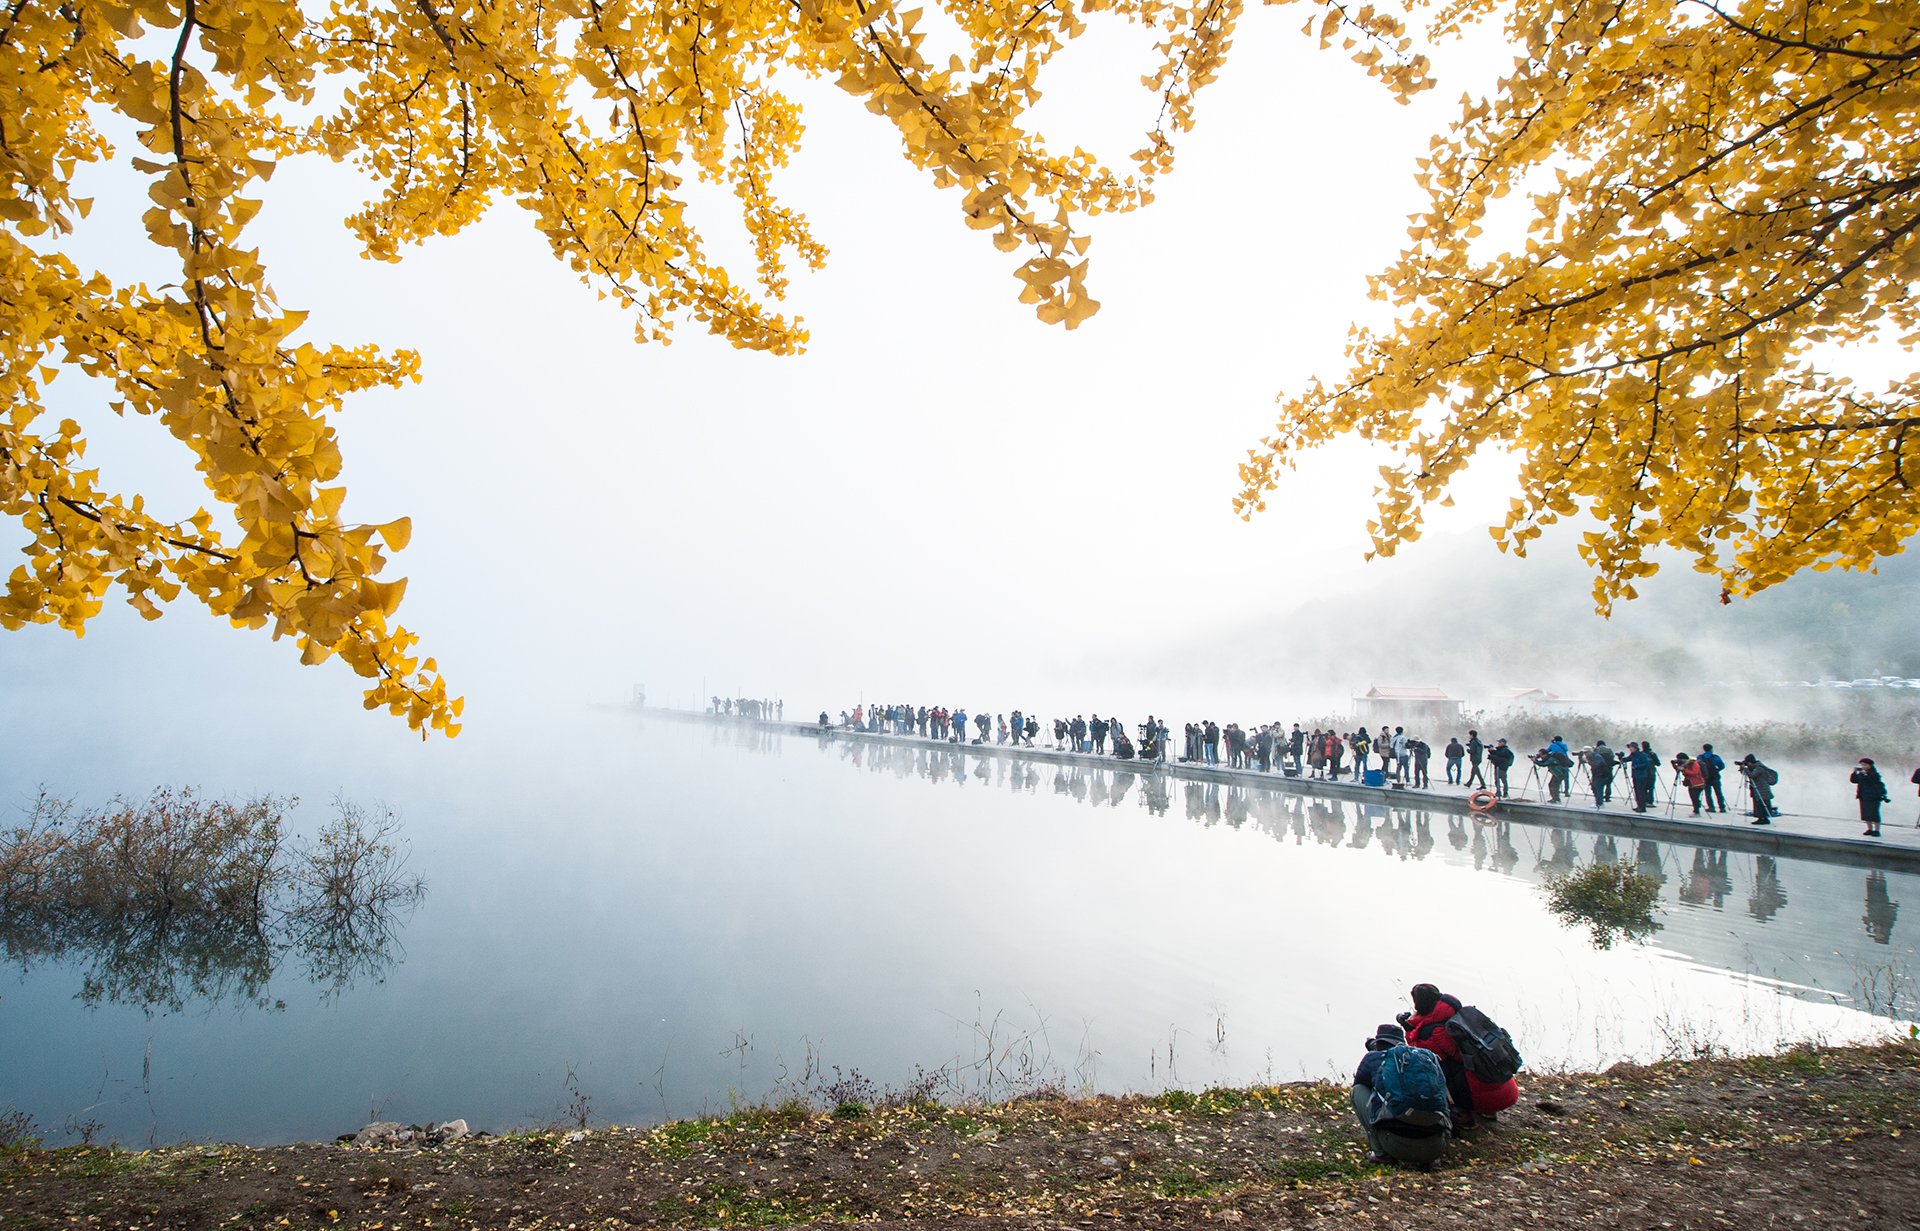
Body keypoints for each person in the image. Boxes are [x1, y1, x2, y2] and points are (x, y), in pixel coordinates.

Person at [1400, 983, 1520, 1128]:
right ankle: (1488, 1112)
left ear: (1418, 1004)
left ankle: (1462, 1115)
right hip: (1508, 1090)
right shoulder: (1463, 1016)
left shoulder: (1432, 1032)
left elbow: (1417, 1052)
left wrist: (1408, 1028)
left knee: (1431, 1068)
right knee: (1470, 1064)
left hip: (1485, 1098)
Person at [1350, 1023, 1450, 1168]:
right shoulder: (1426, 1062)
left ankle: (1381, 1154)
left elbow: (1360, 1083)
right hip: (1435, 1148)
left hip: (1395, 1146)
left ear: (1379, 1044)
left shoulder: (1374, 1057)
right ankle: (1431, 1160)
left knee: (1357, 1090)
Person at [1852, 758, 1889, 837]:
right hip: (1863, 796)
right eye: (1862, 765)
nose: (1863, 766)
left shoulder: (1874, 774)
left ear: (1870, 765)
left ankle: (1877, 830)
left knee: (1874, 814)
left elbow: (1872, 782)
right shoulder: (1861, 773)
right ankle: (1869, 829)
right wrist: (1854, 773)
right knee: (1866, 814)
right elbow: (1854, 781)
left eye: (1865, 765)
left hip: (1874, 797)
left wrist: (1865, 775)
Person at [1738, 754, 1777, 824]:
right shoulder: (1754, 767)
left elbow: (1752, 775)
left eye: (1748, 762)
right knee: (1758, 803)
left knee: (1762, 803)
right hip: (1757, 788)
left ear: (1751, 762)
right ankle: (1761, 818)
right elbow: (1745, 773)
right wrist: (1742, 768)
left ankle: (1763, 818)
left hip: (1762, 788)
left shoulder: (1759, 767)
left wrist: (1745, 768)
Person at [1697, 743, 1727, 813]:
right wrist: (1717, 770)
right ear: (1711, 749)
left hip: (1705, 777)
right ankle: (1722, 807)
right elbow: (1722, 766)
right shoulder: (1716, 757)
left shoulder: (1700, 757)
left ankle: (1711, 807)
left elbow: (1698, 767)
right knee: (1718, 792)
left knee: (1708, 793)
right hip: (1715, 777)